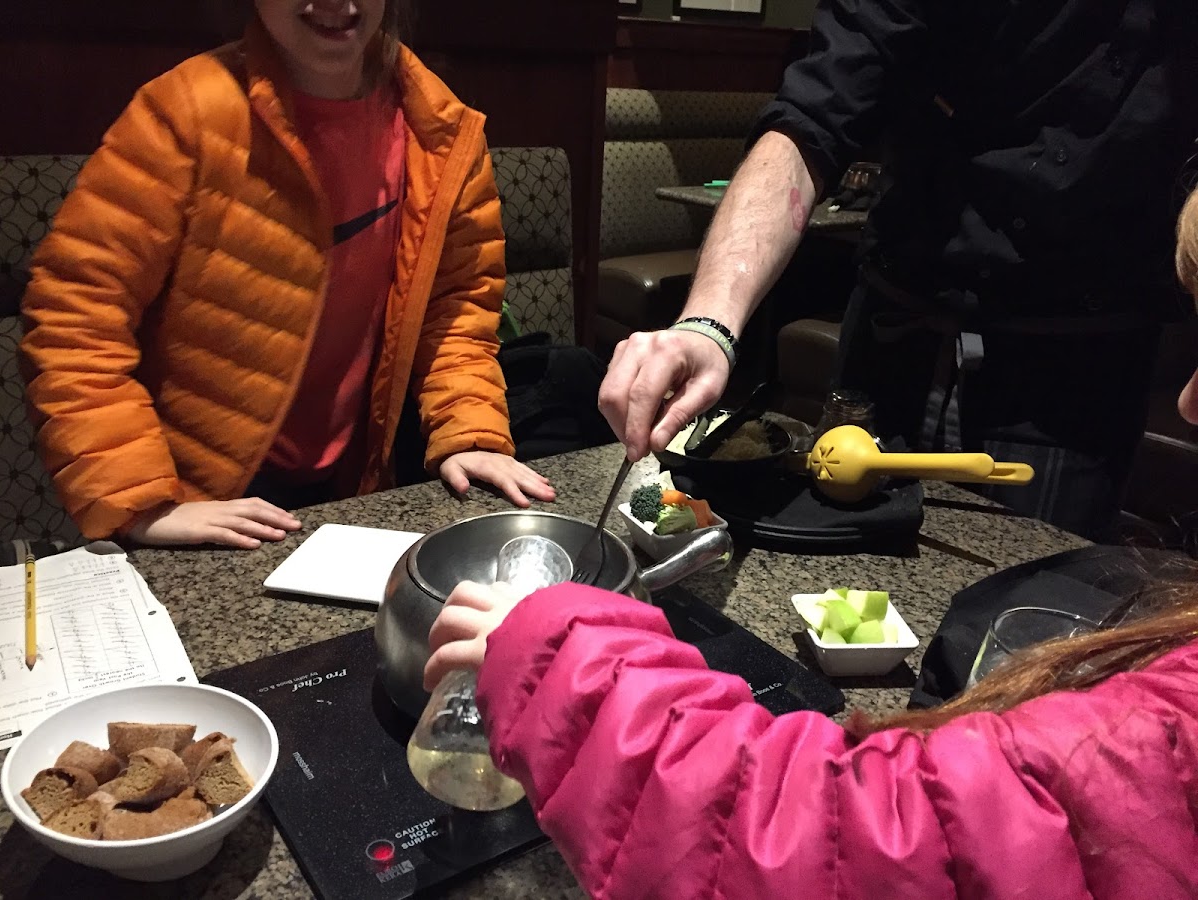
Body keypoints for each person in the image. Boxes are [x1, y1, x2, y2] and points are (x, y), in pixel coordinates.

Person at [414, 194, 1198, 898]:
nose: (1188, 403)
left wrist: (559, 666)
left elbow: (839, 842)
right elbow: (813, 117)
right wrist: (710, 326)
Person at [599, 1, 1198, 540]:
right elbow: (815, 113)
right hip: (897, 329)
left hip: (1080, 366)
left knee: (1038, 620)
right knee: (833, 580)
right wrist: (709, 323)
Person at [19, 0, 554, 550]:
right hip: (204, 498)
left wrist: (470, 432)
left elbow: (457, 311)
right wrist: (142, 502)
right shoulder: (182, 113)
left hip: (355, 488)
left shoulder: (440, 130)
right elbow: (74, 321)